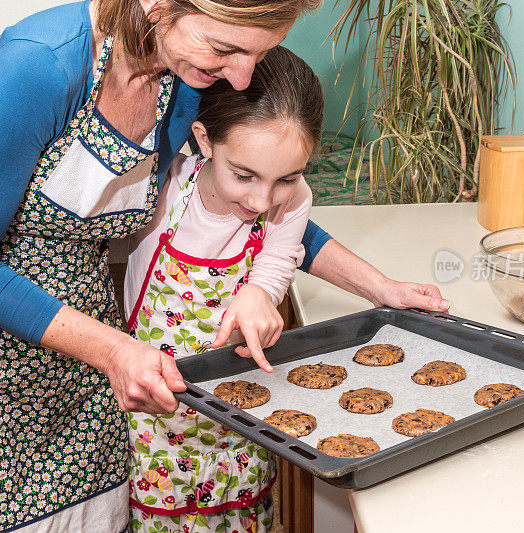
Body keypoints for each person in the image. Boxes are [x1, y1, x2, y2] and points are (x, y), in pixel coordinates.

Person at [0, 1, 448, 531]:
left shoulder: (186, 75)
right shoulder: (39, 66)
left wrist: (380, 286)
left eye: (259, 52)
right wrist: (114, 349)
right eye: (227, 47)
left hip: (85, 359)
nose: (243, 78)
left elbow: (263, 212)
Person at [123, 46, 321, 532]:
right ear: (204, 139)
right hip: (157, 426)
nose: (262, 200)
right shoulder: (164, 186)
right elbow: (68, 213)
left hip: (239, 419)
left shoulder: (292, 201)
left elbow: (278, 256)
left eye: (287, 178)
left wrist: (260, 293)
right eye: (244, 175)